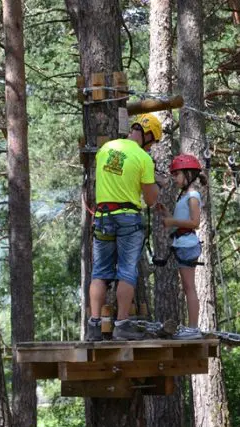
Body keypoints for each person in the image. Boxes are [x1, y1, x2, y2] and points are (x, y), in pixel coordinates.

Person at [86, 113, 163, 341]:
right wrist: (157, 184)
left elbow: (113, 174)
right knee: (126, 271)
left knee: (100, 271)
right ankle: (121, 325)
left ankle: (94, 325)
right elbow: (150, 200)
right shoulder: (143, 158)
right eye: (153, 142)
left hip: (103, 215)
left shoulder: (106, 148)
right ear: (149, 136)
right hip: (128, 217)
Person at [156, 153, 207, 340]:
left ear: (188, 174)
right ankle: (192, 327)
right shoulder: (185, 196)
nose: (175, 179)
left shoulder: (193, 195)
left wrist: (171, 221)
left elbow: (195, 222)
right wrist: (168, 214)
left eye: (177, 175)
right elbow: (182, 221)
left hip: (187, 244)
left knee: (189, 288)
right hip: (183, 243)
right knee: (187, 287)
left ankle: (193, 328)